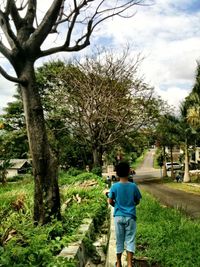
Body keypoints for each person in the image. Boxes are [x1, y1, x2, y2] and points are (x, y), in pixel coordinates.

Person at [107, 162, 142, 267]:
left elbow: (110, 201)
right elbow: (137, 201)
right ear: (128, 172)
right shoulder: (133, 186)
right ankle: (130, 264)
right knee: (130, 240)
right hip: (130, 216)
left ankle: (118, 263)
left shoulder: (114, 187)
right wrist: (131, 205)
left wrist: (116, 206)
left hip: (118, 217)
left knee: (119, 240)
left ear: (117, 173)